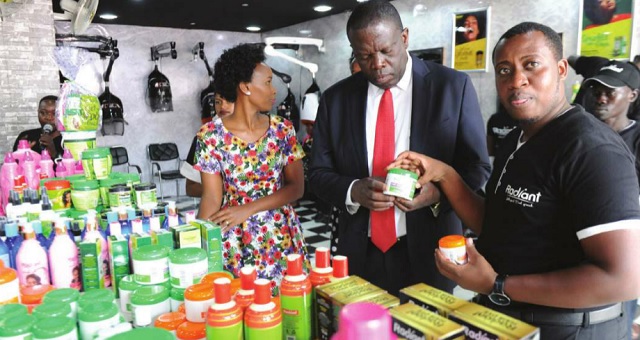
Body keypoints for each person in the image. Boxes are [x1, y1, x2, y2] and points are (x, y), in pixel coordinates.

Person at [390, 22, 640, 338]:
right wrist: (444, 173)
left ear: (562, 69)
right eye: (504, 70)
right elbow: (499, 223)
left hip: (568, 328)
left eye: (531, 65)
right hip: (508, 318)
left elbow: (623, 278)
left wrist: (496, 284)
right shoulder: (518, 138)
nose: (517, 80)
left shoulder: (591, 149)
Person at [309, 0, 490, 296]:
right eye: (364, 55)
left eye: (386, 51)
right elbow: (317, 173)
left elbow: (477, 167)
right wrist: (353, 190)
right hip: (359, 250)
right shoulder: (335, 100)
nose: (377, 64)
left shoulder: (451, 87)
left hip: (432, 251)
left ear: (404, 38)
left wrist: (437, 194)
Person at [195, 43, 309, 293]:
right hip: (235, 239)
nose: (273, 90)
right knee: (242, 310)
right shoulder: (210, 135)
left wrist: (246, 209)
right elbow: (212, 197)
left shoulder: (282, 130)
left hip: (280, 236)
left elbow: (296, 188)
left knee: (288, 307)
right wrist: (198, 246)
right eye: (267, 82)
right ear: (245, 87)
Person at [182, 93, 234, 197]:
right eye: (218, 102)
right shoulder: (205, 138)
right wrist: (228, 191)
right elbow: (191, 187)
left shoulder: (268, 134)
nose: (222, 106)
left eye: (229, 100)